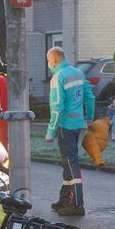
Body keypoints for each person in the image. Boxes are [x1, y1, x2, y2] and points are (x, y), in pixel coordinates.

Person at [45, 46, 95, 216]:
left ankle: (76, 204)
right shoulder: (78, 73)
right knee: (67, 163)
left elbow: (57, 106)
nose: (48, 64)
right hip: (77, 124)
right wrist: (88, 117)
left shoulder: (58, 77)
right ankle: (65, 199)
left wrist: (50, 130)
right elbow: (90, 97)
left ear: (55, 59)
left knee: (71, 163)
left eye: (49, 60)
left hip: (64, 125)